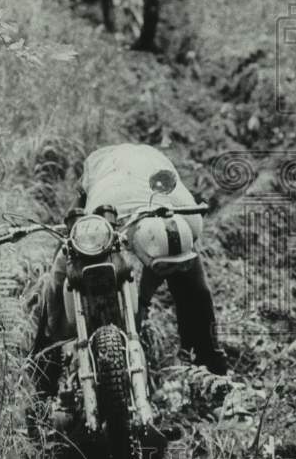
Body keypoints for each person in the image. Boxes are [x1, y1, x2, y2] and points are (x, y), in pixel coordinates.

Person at [30, 142, 228, 397]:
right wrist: (139, 304)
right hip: (107, 169)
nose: (166, 273)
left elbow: (167, 266)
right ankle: (44, 370)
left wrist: (142, 301)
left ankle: (210, 369)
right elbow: (88, 245)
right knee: (61, 277)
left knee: (197, 293)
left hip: (152, 165)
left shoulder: (191, 221)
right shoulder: (102, 216)